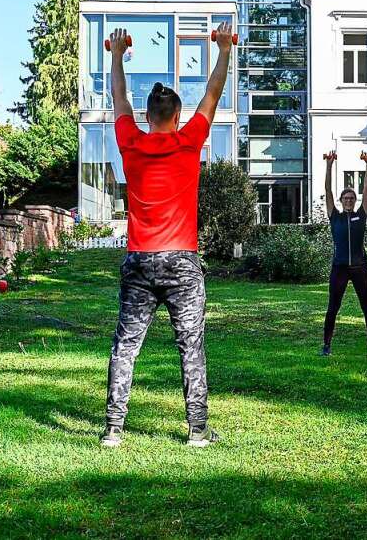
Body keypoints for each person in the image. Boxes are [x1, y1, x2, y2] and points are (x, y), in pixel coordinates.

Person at [100, 24, 234, 448]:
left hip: (140, 260)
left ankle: (114, 430)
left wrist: (117, 54)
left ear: (146, 116)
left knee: (126, 345)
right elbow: (213, 93)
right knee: (190, 346)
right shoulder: (189, 140)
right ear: (177, 117)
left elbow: (118, 97)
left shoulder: (130, 141)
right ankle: (197, 431)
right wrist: (224, 48)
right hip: (181, 262)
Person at [320, 151, 367, 357]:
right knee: (333, 308)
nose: (348, 200)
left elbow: (366, 190)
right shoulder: (335, 216)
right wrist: (329, 165)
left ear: (355, 201)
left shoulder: (361, 215)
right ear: (340, 200)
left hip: (359, 268)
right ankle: (326, 346)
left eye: (351, 198)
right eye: (345, 198)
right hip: (339, 268)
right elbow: (327, 190)